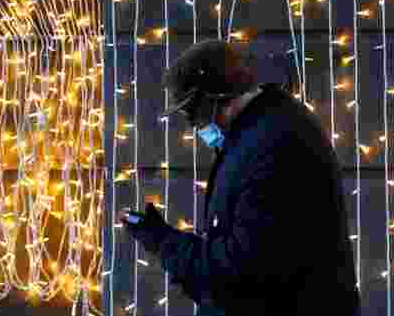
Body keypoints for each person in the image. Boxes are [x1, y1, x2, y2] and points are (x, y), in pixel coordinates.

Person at [120, 39, 361, 316]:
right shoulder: (261, 133)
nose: (193, 125)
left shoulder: (272, 145)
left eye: (192, 112)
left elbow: (237, 275)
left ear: (214, 100)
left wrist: (164, 243)